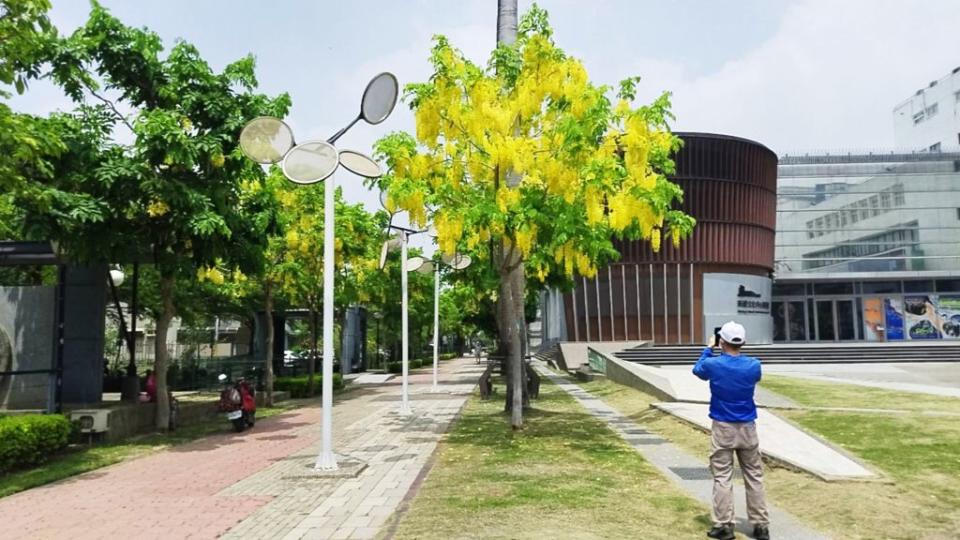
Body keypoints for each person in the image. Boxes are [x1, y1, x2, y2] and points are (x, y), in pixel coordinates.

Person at [693, 321, 770, 540]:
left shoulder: (714, 364)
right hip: (747, 426)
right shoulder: (754, 365)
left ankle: (724, 525)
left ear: (722, 341)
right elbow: (754, 378)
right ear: (743, 342)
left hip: (723, 425)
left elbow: (698, 370)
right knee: (754, 475)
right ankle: (761, 525)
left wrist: (709, 348)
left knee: (722, 476)